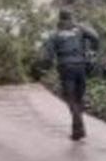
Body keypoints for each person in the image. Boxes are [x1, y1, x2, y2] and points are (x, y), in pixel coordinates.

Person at [41, 9, 101, 140]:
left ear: (59, 19)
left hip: (66, 68)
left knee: (71, 98)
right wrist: (92, 53)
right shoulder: (80, 30)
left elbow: (48, 57)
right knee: (79, 98)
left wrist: (45, 68)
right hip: (81, 67)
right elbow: (95, 37)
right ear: (71, 18)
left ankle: (78, 127)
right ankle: (77, 130)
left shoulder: (55, 35)